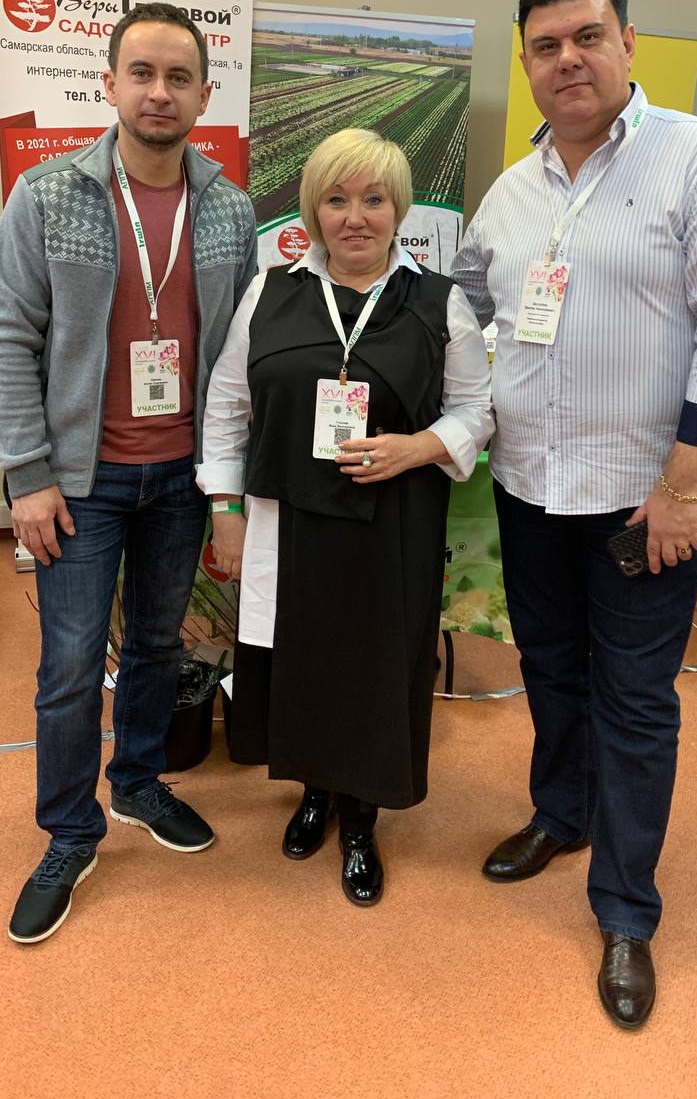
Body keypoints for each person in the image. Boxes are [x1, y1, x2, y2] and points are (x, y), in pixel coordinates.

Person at [450, 0, 697, 1028]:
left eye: (587, 37)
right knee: (550, 667)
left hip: (647, 502)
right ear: (527, 63)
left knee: (634, 699)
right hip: (530, 487)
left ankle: (627, 910)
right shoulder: (510, 193)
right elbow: (466, 316)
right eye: (545, 46)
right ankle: (562, 811)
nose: (568, 60)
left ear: (627, 42)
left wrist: (685, 486)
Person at [0, 2, 257, 944]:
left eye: (179, 77)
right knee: (68, 666)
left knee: (156, 645)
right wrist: (27, 474)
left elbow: (237, 356)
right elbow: (6, 336)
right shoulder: (48, 195)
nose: (159, 93)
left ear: (205, 96)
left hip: (181, 473)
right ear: (108, 84)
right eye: (142, 73)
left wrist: (227, 480)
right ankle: (69, 830)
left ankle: (136, 782)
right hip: (79, 481)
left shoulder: (228, 209)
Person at [196, 128, 492, 907]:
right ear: (313, 211)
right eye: (336, 199)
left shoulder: (438, 302)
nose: (354, 217)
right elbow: (226, 406)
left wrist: (417, 447)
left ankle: (361, 817)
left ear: (399, 210)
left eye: (373, 199)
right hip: (291, 517)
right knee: (301, 660)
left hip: (392, 521)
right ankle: (316, 791)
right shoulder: (270, 293)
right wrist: (224, 507)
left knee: (375, 664)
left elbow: (477, 409)